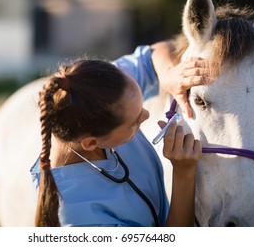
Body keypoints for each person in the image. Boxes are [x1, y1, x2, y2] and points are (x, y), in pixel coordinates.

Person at [31, 41, 210, 227]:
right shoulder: (78, 219)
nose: (146, 115)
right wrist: (184, 173)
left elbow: (156, 51)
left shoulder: (102, 88)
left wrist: (167, 75)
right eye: (134, 122)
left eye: (142, 106)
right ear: (92, 143)